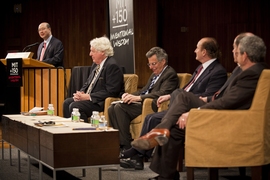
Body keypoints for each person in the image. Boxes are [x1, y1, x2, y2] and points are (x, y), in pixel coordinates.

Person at [132, 34, 268, 180]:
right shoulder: (242, 70)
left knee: (182, 99)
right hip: (221, 112)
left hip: (228, 120)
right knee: (176, 125)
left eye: (235, 49)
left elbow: (228, 102)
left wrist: (195, 112)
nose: (232, 52)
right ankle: (167, 173)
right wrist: (206, 99)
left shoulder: (253, 74)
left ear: (245, 55)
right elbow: (224, 97)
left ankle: (160, 131)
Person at [120, 37, 228, 170]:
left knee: (164, 110)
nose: (195, 51)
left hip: (194, 110)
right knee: (151, 117)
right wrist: (169, 96)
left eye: (197, 48)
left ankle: (137, 153)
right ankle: (138, 156)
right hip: (180, 105)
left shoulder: (218, 71)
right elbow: (186, 89)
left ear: (204, 52)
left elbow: (208, 97)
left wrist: (178, 96)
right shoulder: (200, 68)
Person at [108, 47, 179, 155]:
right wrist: (130, 95)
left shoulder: (170, 74)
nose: (151, 67)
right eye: (149, 64)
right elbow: (144, 90)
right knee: (111, 108)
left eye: (153, 64)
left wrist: (139, 98)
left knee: (120, 108)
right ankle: (120, 144)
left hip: (151, 104)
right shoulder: (155, 74)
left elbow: (162, 93)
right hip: (142, 102)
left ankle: (127, 146)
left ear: (163, 61)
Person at [63, 36, 124, 122]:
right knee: (67, 103)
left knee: (75, 106)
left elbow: (112, 91)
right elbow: (88, 83)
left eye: (92, 51)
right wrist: (81, 93)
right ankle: (69, 132)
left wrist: (89, 96)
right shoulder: (95, 65)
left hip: (100, 101)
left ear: (102, 52)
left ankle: (84, 133)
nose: (90, 54)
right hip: (91, 99)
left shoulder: (112, 66)